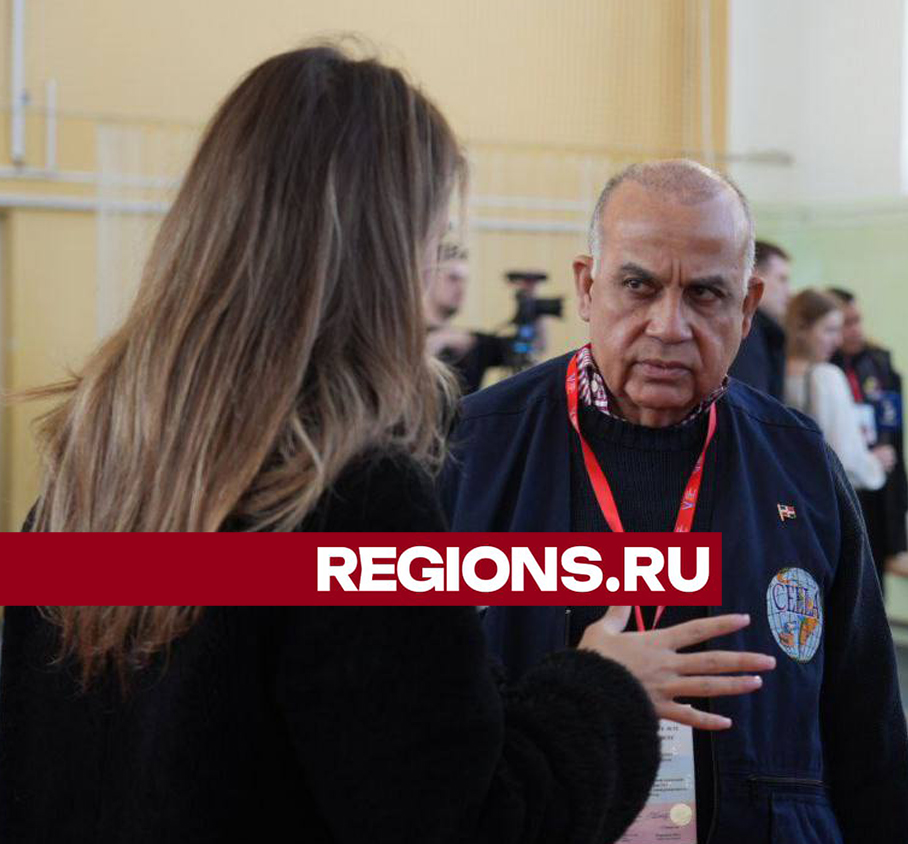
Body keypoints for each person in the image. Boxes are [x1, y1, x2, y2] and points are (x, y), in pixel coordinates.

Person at [0, 47, 772, 844]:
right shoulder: (347, 495)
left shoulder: (91, 468)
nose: (439, 278)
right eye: (437, 245)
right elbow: (466, 821)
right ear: (380, 257)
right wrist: (608, 687)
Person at [441, 159, 908, 844]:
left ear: (749, 307)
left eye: (705, 295)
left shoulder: (801, 465)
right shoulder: (470, 452)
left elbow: (868, 730)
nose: (669, 326)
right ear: (587, 286)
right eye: (637, 286)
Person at [829, 287, 908, 578]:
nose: (856, 331)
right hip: (841, 489)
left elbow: (894, 428)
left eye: (858, 321)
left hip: (878, 490)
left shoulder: (878, 364)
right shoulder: (822, 371)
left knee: (874, 580)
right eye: (847, 323)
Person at [783, 289, 893, 492]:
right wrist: (873, 465)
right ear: (802, 329)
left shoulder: (775, 372)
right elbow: (846, 462)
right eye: (830, 330)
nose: (838, 341)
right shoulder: (826, 377)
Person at [423, 242, 523, 394]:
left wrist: (530, 299)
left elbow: (530, 345)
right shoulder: (403, 337)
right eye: (453, 278)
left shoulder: (472, 342)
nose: (461, 288)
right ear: (427, 278)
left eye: (465, 280)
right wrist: (433, 344)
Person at [726, 240, 790, 399]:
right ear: (754, 278)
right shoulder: (747, 335)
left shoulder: (764, 332)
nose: (789, 292)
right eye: (782, 279)